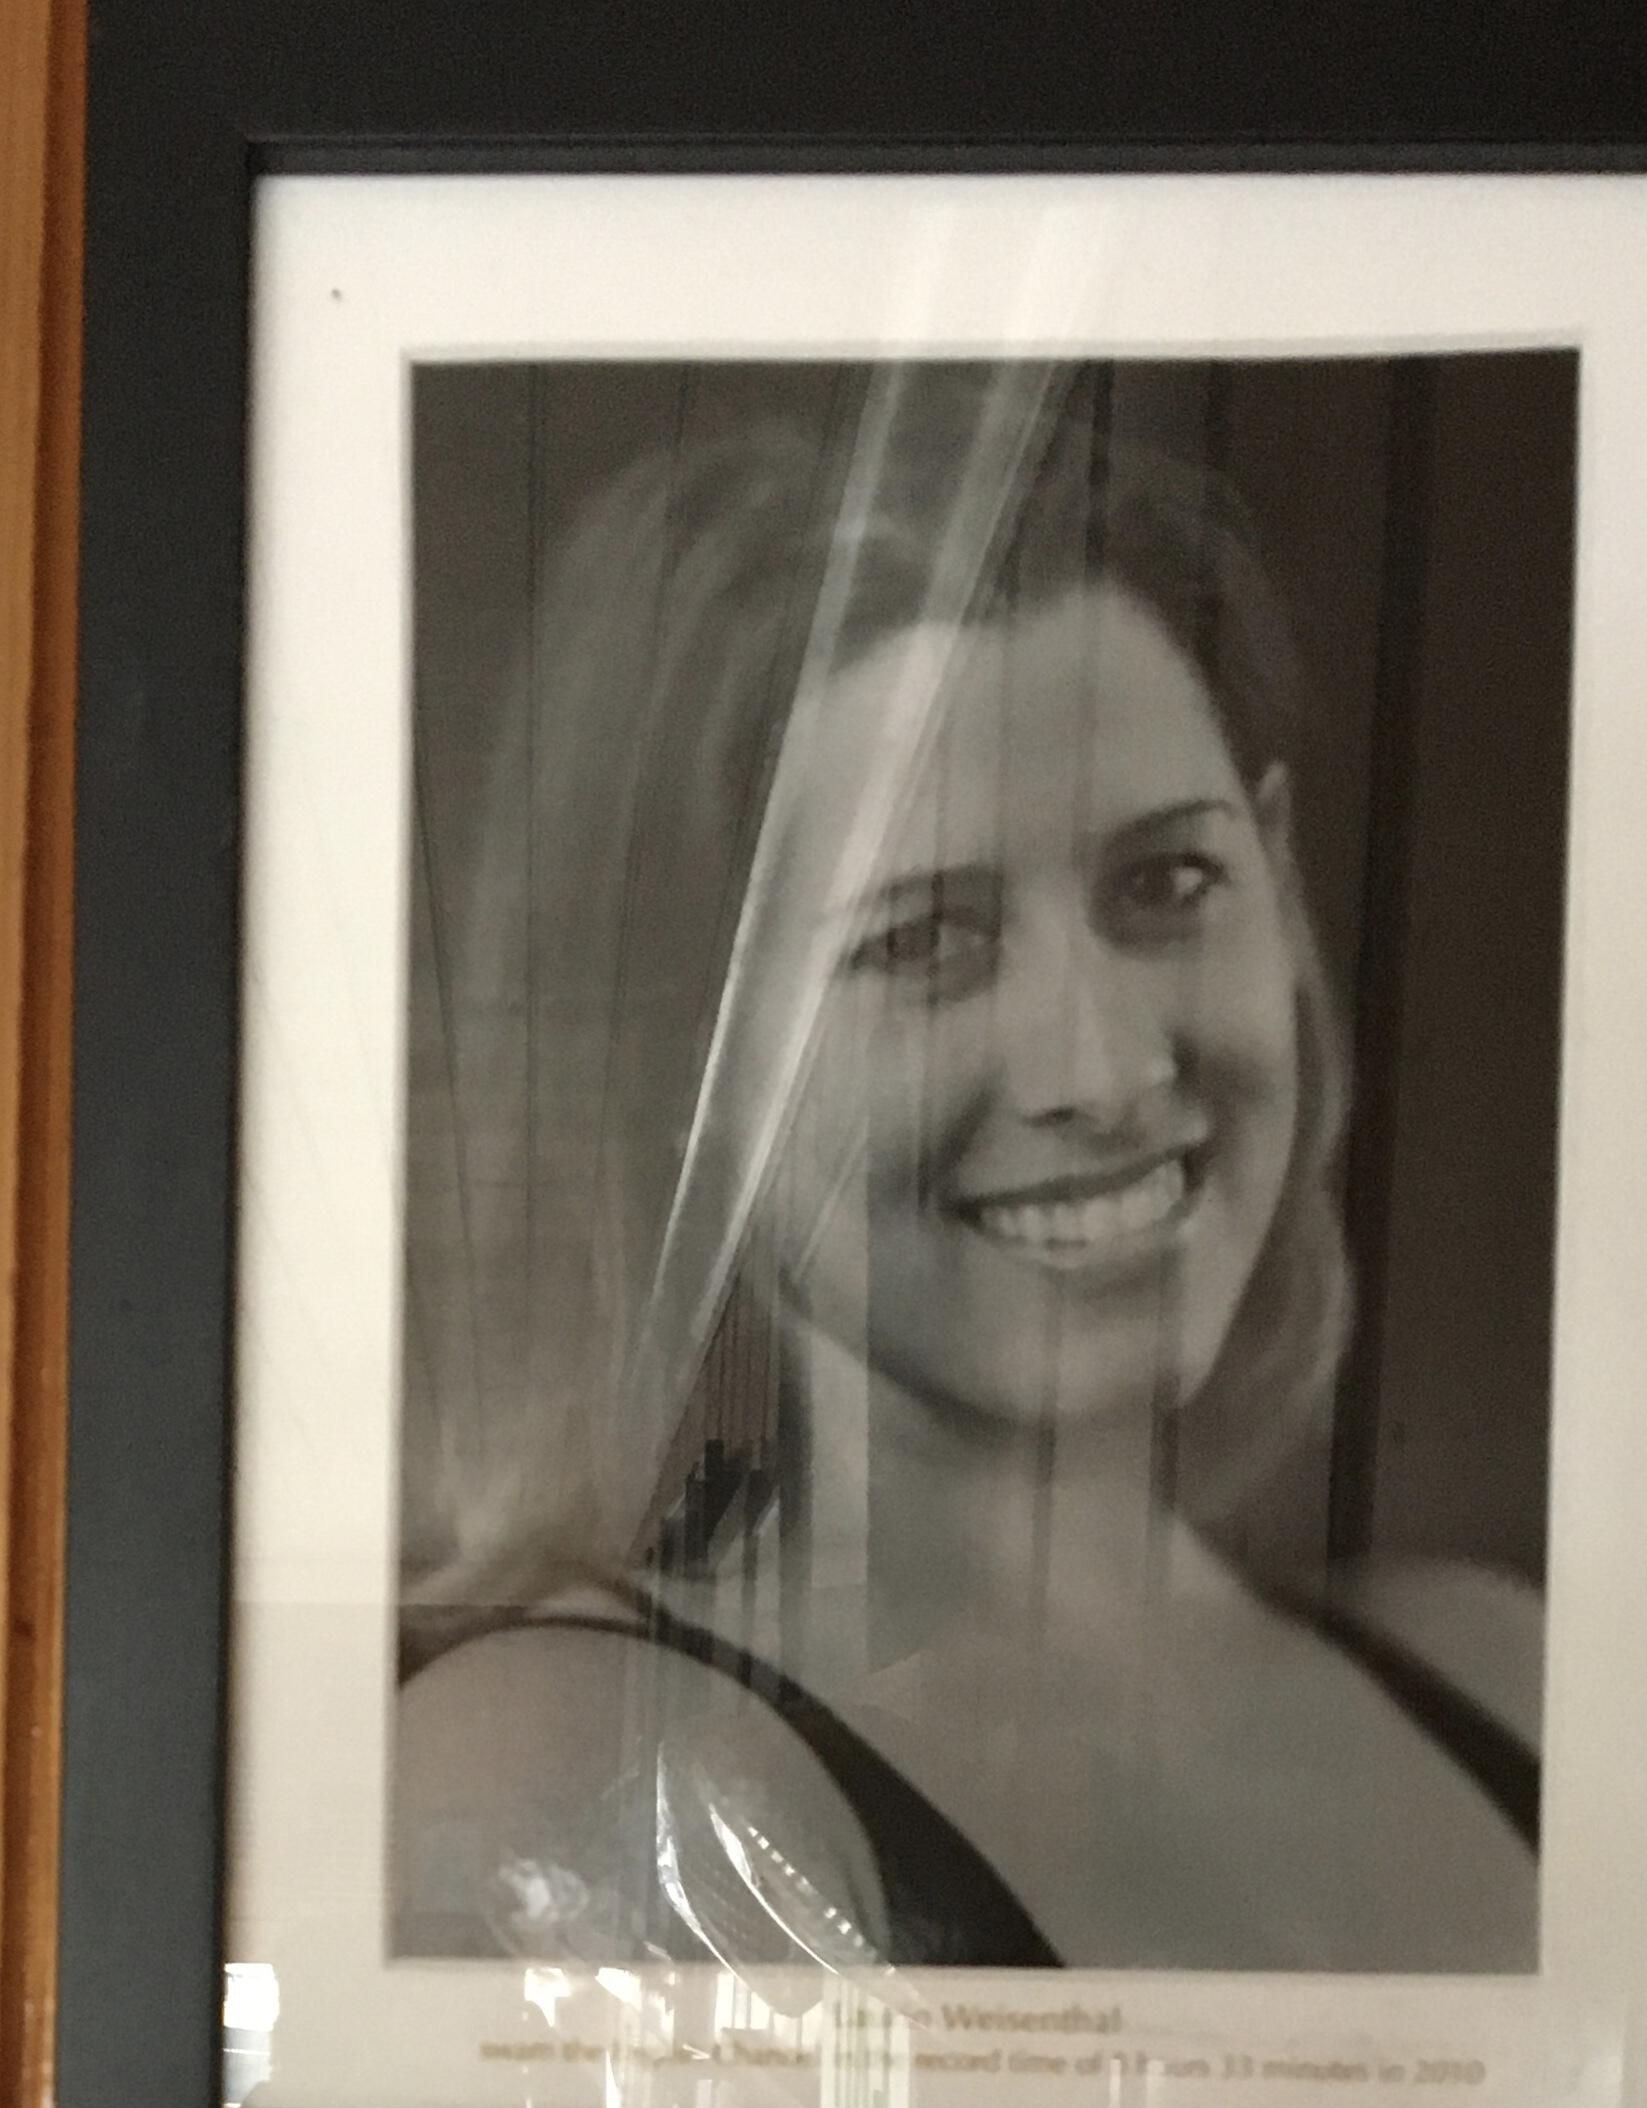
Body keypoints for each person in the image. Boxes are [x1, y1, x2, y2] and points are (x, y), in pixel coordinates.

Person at [393, 363, 1540, 1977]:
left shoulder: (1504, 1671)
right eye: (923, 940)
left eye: (1168, 881)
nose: (1105, 1070)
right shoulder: (574, 1759)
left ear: (1281, 888)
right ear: (670, 1060)